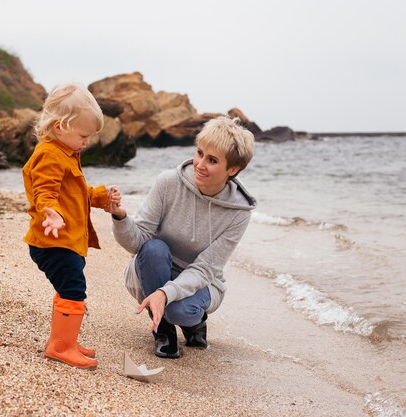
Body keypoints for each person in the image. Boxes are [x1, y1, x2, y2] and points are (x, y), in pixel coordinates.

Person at [109, 116, 257, 358]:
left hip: (201, 281)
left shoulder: (239, 212)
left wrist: (166, 293)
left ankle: (194, 323)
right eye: (200, 153)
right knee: (154, 248)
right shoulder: (169, 182)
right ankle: (163, 331)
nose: (200, 164)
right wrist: (120, 217)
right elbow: (139, 242)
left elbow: (205, 269)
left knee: (181, 310)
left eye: (212, 160)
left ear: (233, 169)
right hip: (153, 268)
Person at [22, 83, 121, 369]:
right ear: (59, 126)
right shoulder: (49, 155)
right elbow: (45, 191)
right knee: (74, 290)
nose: (86, 142)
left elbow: (76, 194)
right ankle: (60, 347)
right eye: (83, 135)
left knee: (68, 288)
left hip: (63, 241)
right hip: (53, 242)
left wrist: (101, 197)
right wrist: (50, 212)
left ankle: (66, 340)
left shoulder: (65, 154)